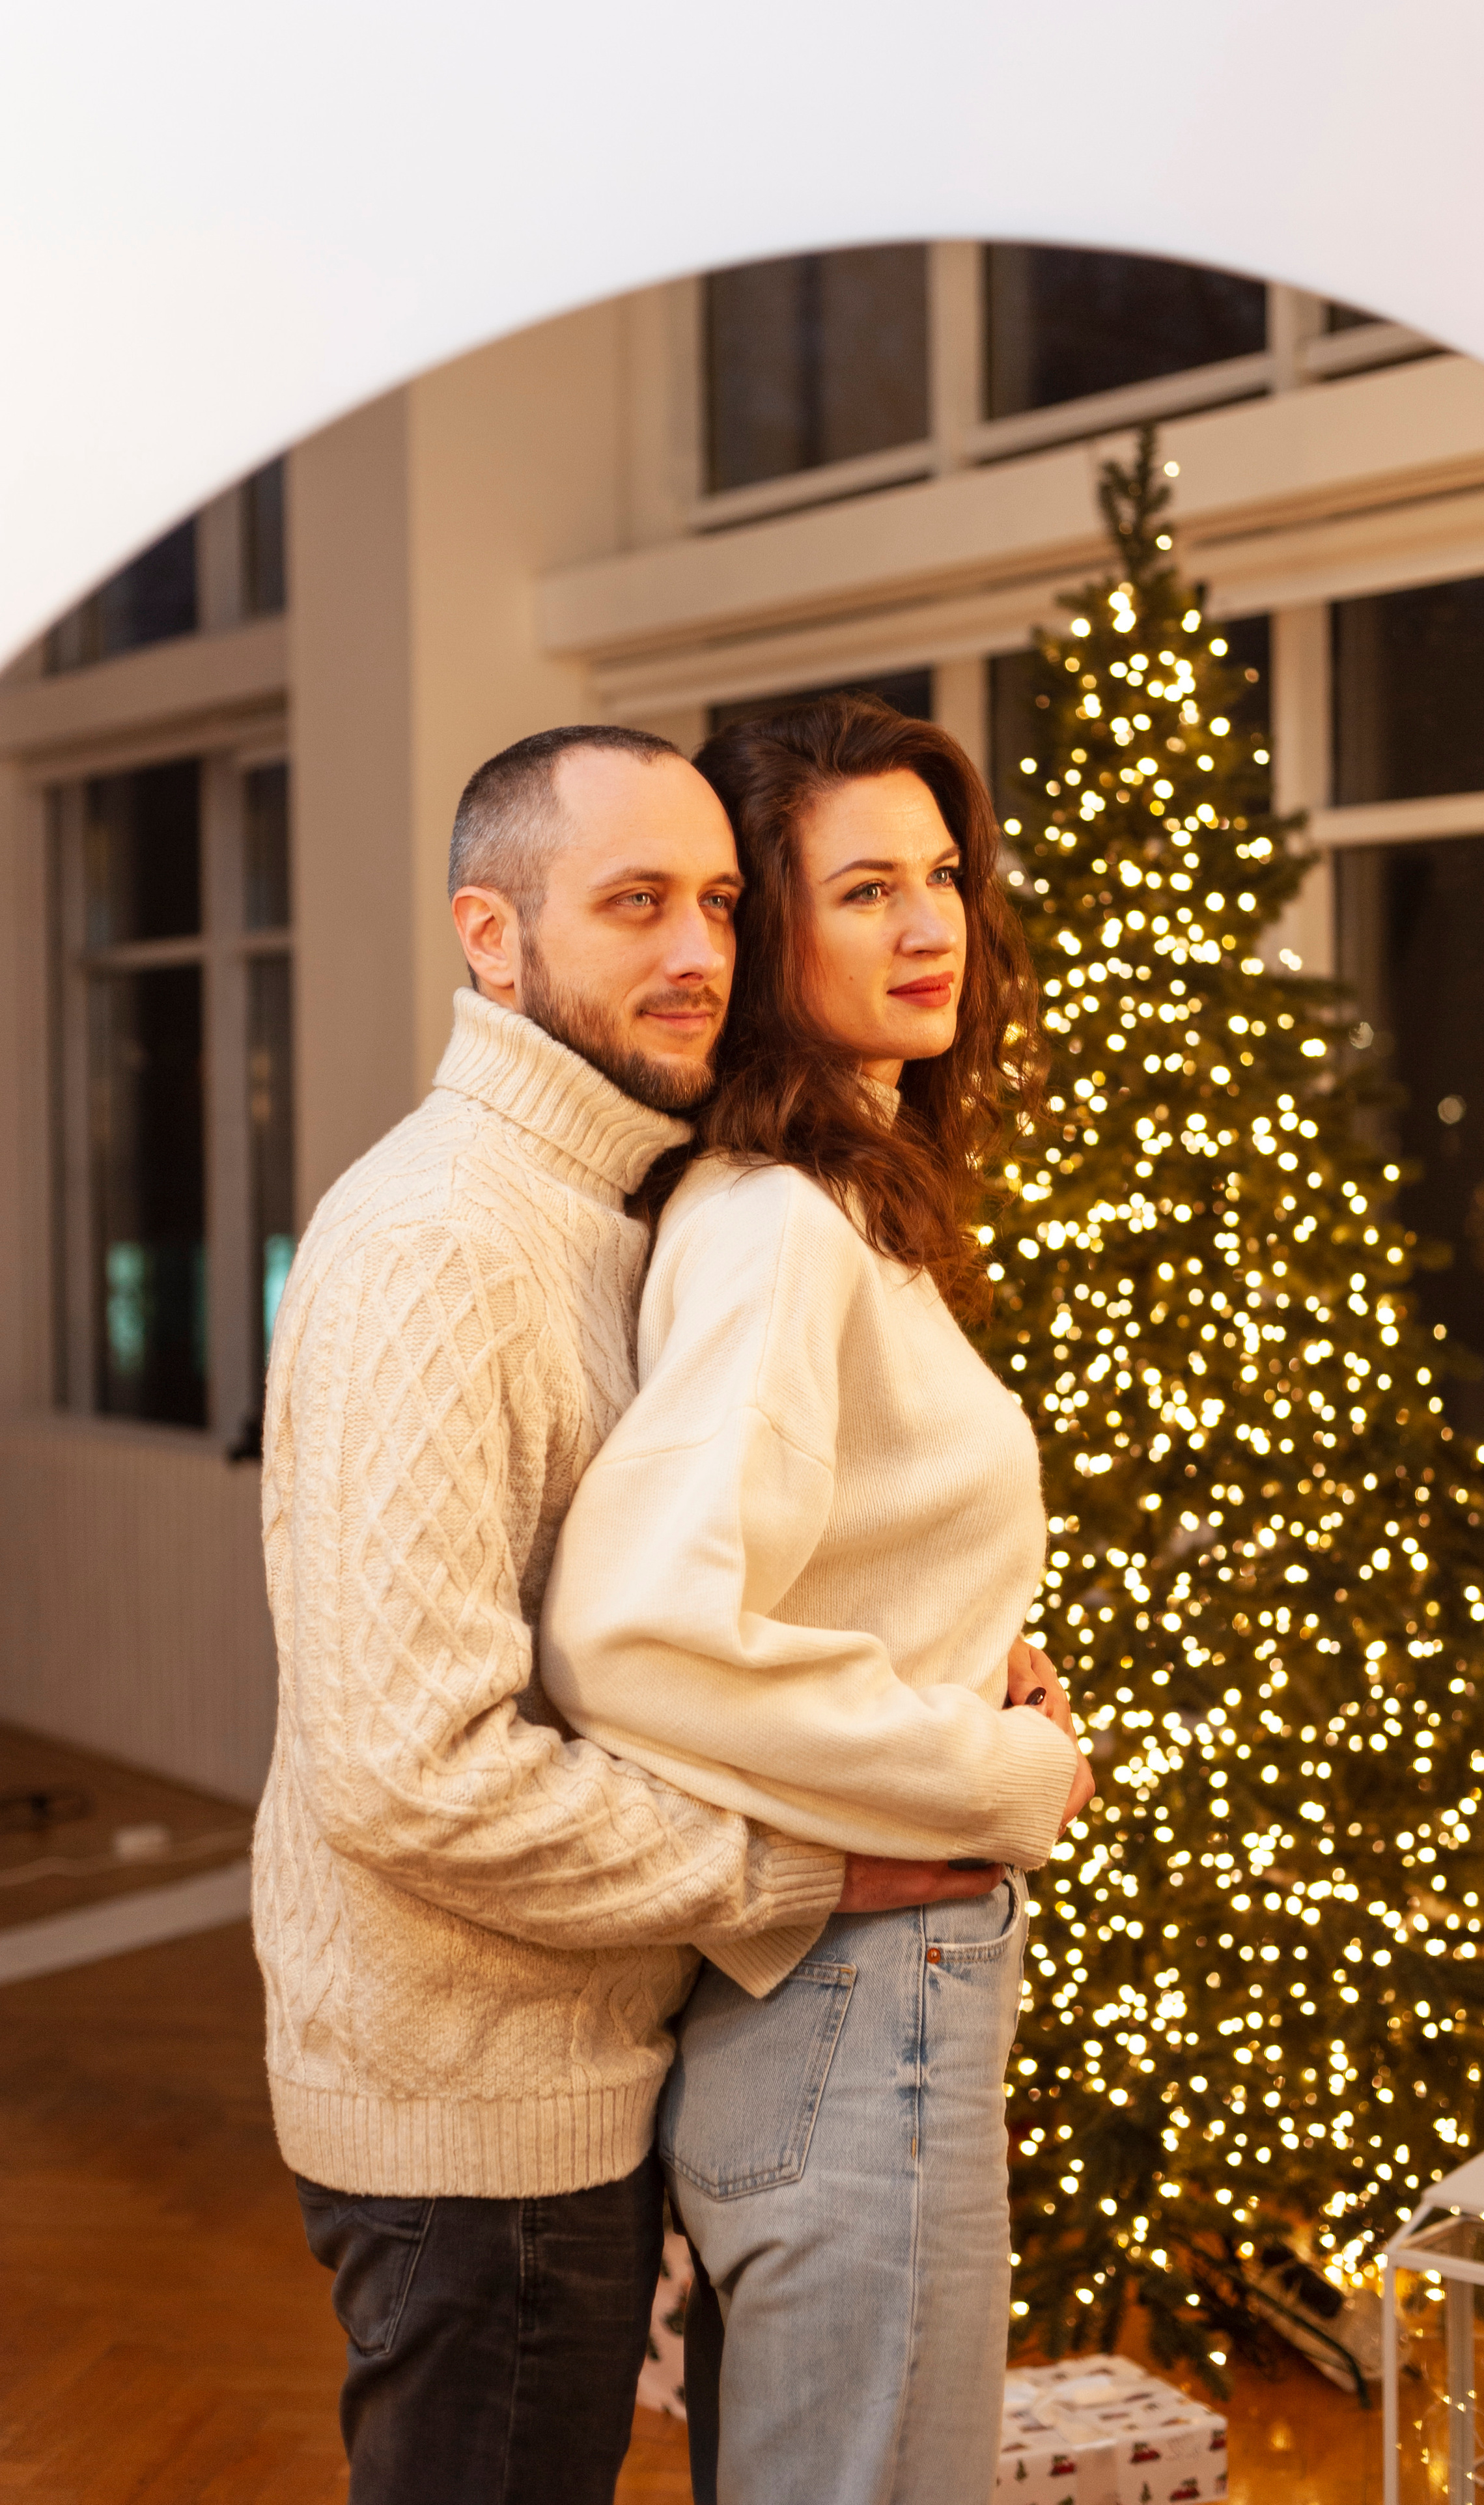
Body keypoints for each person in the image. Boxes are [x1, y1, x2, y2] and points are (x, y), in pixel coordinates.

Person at [253, 721, 1003, 2505]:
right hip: (471, 2110)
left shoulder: (605, 1205)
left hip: (582, 2058)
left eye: (723, 905)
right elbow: (414, 1772)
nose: (696, 954)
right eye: (635, 903)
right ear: (491, 936)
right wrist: (796, 1870)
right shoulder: (440, 1241)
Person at [542, 695, 1096, 2505]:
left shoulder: (852, 1195)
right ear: (769, 932)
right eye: (865, 891)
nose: (931, 926)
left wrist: (958, 1651)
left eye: (941, 876)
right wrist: (989, 1773)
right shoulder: (780, 1221)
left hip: (859, 2004)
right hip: (860, 2000)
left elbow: (831, 1552)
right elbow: (635, 1633)